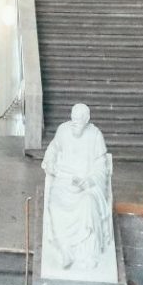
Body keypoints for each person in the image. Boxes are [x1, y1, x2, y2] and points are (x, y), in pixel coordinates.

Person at [41, 103, 112, 270]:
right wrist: (50, 162)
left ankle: (88, 254)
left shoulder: (95, 135)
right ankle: (65, 250)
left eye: (79, 119)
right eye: (73, 118)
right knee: (55, 204)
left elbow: (101, 166)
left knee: (88, 204)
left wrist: (90, 181)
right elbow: (52, 149)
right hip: (64, 181)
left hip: (86, 185)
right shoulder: (63, 130)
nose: (74, 122)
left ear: (87, 120)